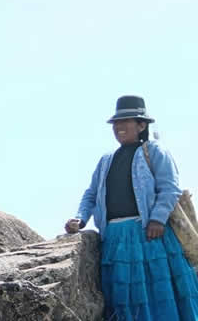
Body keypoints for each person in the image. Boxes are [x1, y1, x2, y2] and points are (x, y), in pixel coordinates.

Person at [65, 95, 198, 320]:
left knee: (159, 291)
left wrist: (157, 219)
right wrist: (80, 218)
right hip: (114, 238)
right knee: (123, 297)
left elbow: (170, 188)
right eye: (116, 123)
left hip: (149, 234)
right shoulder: (106, 159)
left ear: (141, 125)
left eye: (125, 121)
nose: (119, 127)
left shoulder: (154, 151)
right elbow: (91, 194)